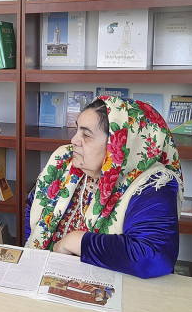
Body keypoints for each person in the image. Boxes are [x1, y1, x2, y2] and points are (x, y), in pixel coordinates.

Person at [24, 96, 183, 278]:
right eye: (76, 130)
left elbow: (153, 256)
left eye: (86, 135)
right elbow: (33, 209)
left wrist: (77, 241)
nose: (74, 140)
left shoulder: (153, 183)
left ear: (119, 143)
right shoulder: (64, 160)